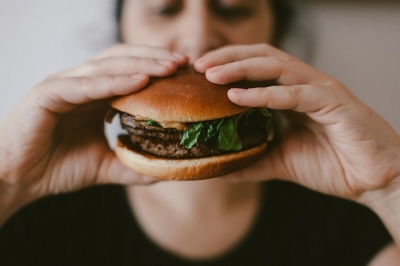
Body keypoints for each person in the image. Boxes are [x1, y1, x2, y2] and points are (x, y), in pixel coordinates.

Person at [1, 0, 400, 265]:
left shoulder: (344, 216)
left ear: (275, 36)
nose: (197, 37)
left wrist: (391, 187)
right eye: (164, 8)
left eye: (234, 8)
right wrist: (8, 182)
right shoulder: (37, 212)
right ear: (122, 35)